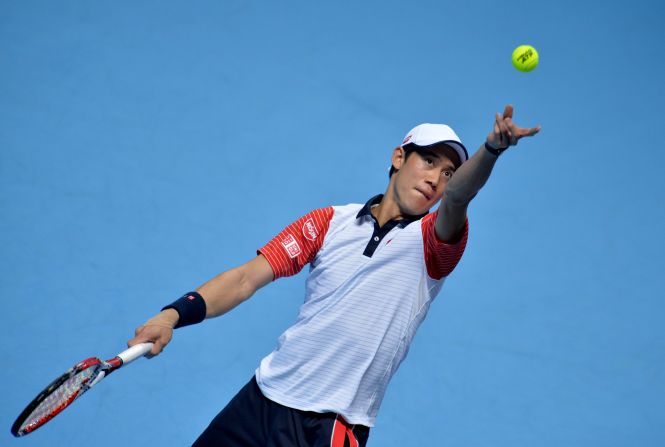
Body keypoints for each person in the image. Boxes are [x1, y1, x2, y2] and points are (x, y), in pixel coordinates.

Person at [128, 104, 540, 446]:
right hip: (262, 399)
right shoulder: (329, 222)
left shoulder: (434, 244)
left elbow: (458, 197)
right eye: (429, 160)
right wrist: (172, 315)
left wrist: (491, 149)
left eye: (448, 171)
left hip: (329, 427)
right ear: (399, 157)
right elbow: (245, 279)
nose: (436, 178)